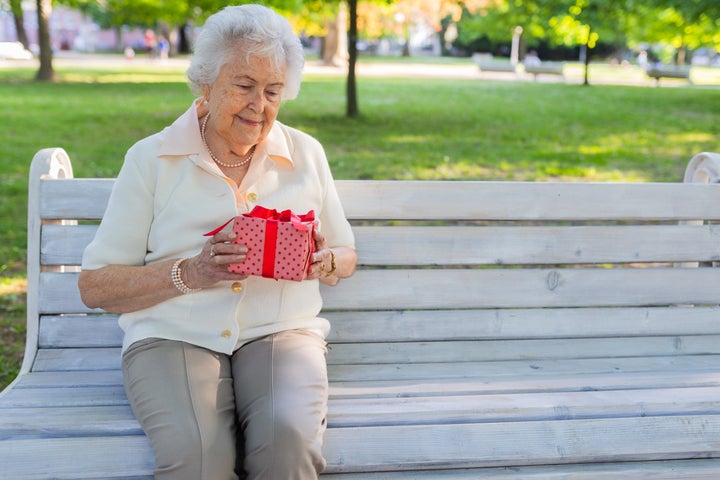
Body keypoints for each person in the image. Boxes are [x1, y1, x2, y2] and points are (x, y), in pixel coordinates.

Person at [78, 5, 357, 480]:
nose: (259, 105)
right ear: (205, 83)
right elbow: (95, 288)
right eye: (244, 86)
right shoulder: (152, 159)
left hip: (280, 330)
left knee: (288, 440)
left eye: (273, 92)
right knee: (197, 458)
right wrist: (192, 273)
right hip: (172, 335)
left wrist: (325, 261)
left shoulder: (306, 154)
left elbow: (346, 254)